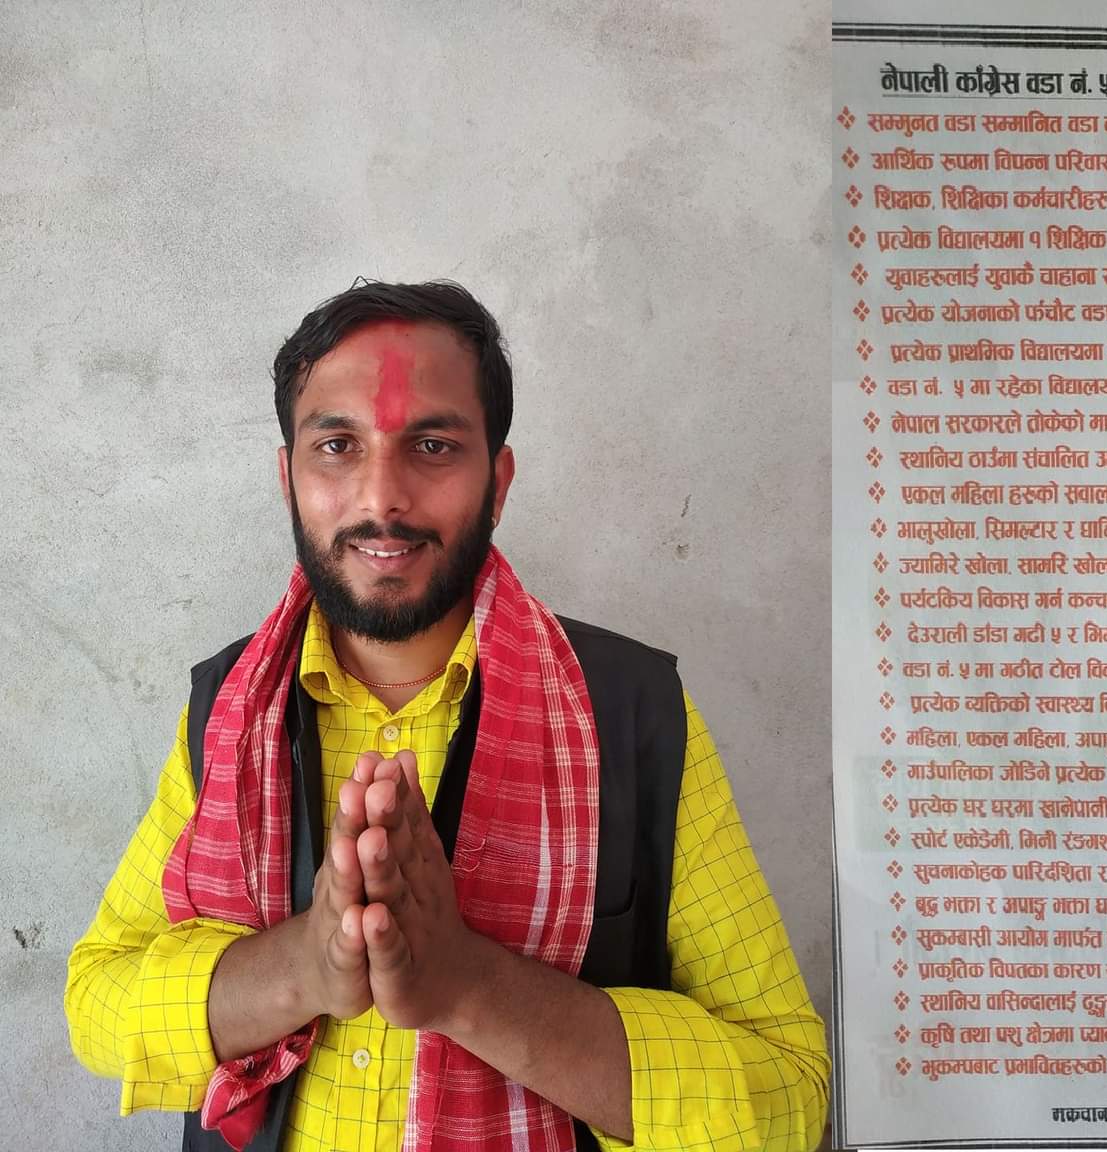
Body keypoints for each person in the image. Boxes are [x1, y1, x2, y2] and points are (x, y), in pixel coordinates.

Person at [65, 279, 829, 1152]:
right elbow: (95, 1003)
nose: (380, 499)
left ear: (497, 482)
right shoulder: (226, 706)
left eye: (432, 445)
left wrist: (469, 986)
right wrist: (305, 966)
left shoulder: (632, 714)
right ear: (287, 479)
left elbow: (789, 1094)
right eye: (337, 446)